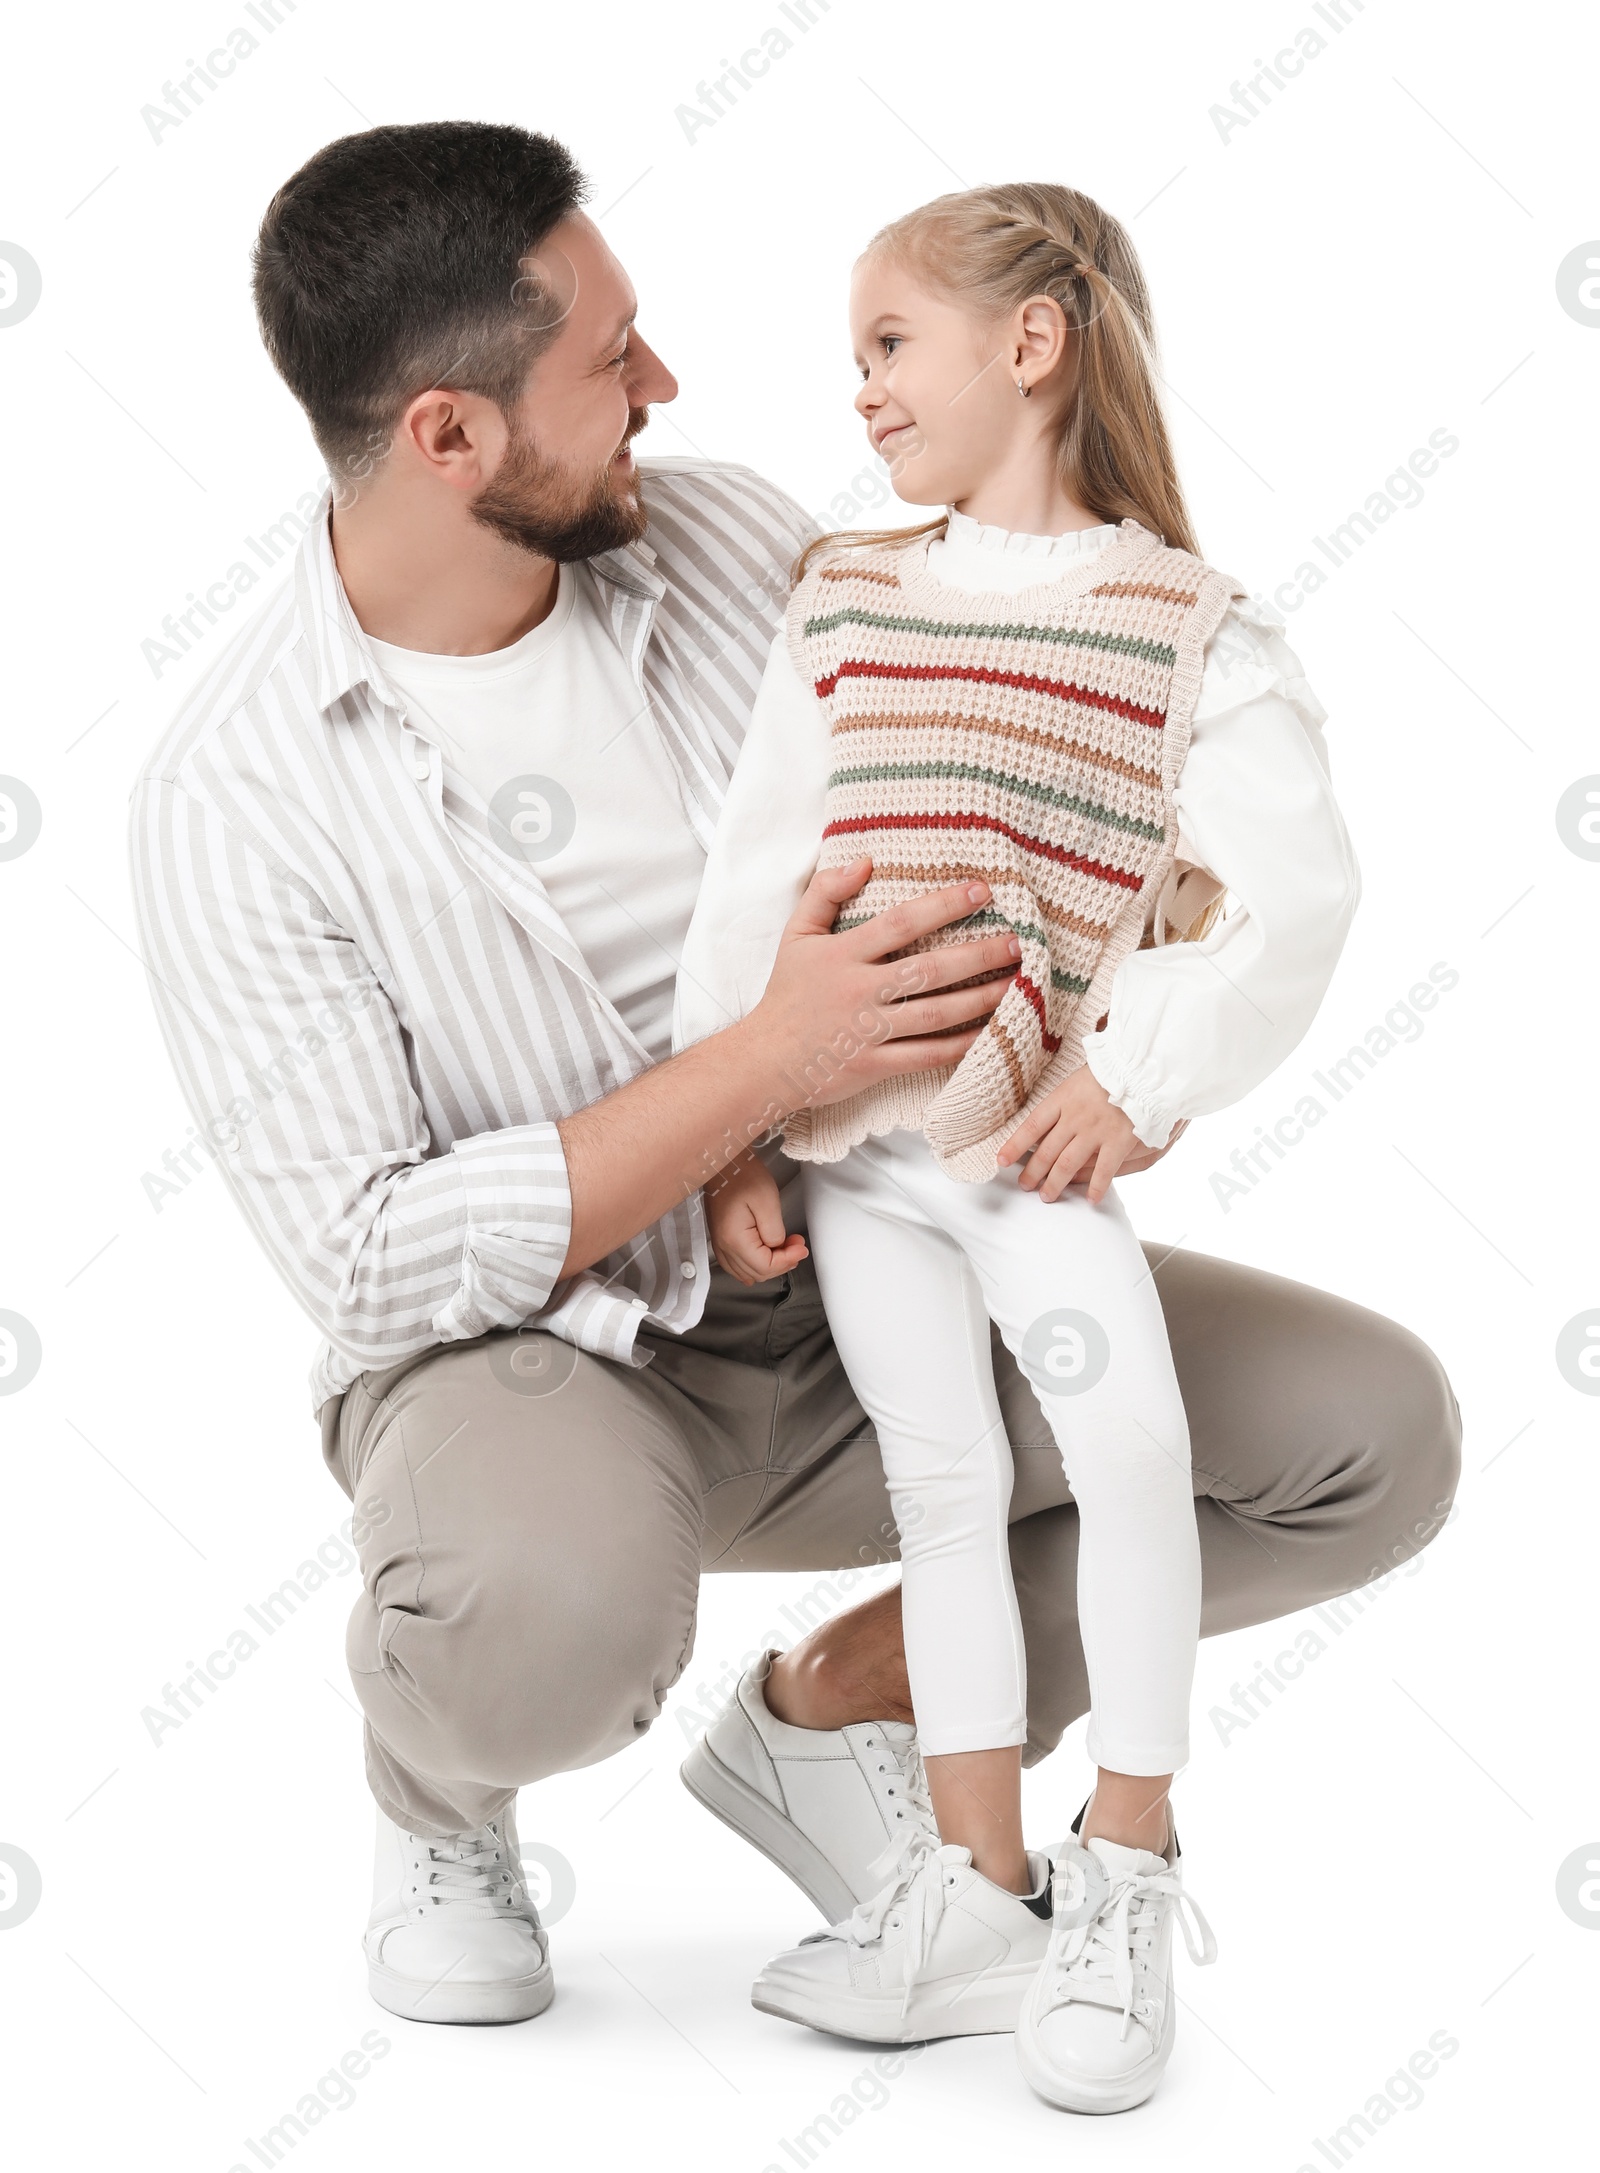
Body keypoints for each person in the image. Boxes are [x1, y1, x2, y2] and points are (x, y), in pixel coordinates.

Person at [126, 122, 1459, 2051]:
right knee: (534, 1632)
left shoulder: (746, 542)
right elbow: (375, 1263)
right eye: (612, 357)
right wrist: (757, 1070)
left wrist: (1146, 1036)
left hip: (871, 1240)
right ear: (448, 436)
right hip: (556, 1357)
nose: (665, 383)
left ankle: (844, 1707)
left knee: (1368, 1435)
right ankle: (442, 1800)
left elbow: (1037, 788)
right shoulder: (235, 794)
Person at [691, 181, 1356, 2112]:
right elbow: (760, 864)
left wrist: (1135, 1078)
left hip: (1023, 1147)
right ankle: (980, 1886)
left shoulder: (1177, 624)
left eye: (891, 344)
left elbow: (1294, 895)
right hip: (848, 1143)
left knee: (1133, 1438)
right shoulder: (850, 588)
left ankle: (1124, 1862)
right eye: (858, 361)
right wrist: (732, 1113)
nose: (866, 392)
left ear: (1032, 343)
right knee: (942, 1481)